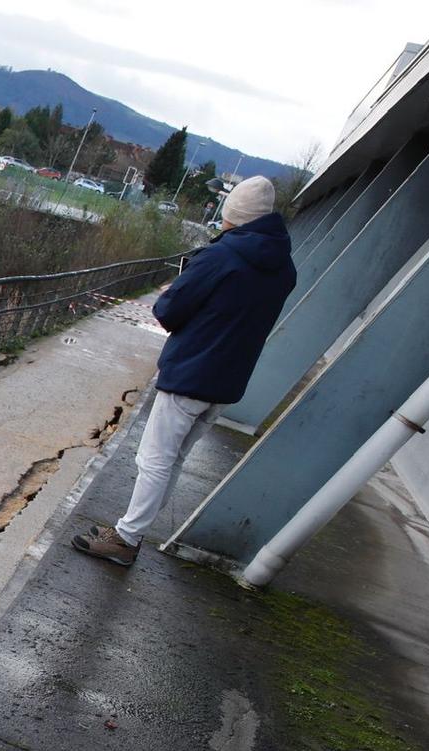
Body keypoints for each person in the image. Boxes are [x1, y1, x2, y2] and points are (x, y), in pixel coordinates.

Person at [71, 175, 297, 566]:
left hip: (192, 372)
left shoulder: (220, 256)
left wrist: (176, 287)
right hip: (227, 381)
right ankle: (131, 533)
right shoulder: (284, 268)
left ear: (234, 215)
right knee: (174, 460)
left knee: (154, 458)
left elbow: (168, 311)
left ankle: (125, 538)